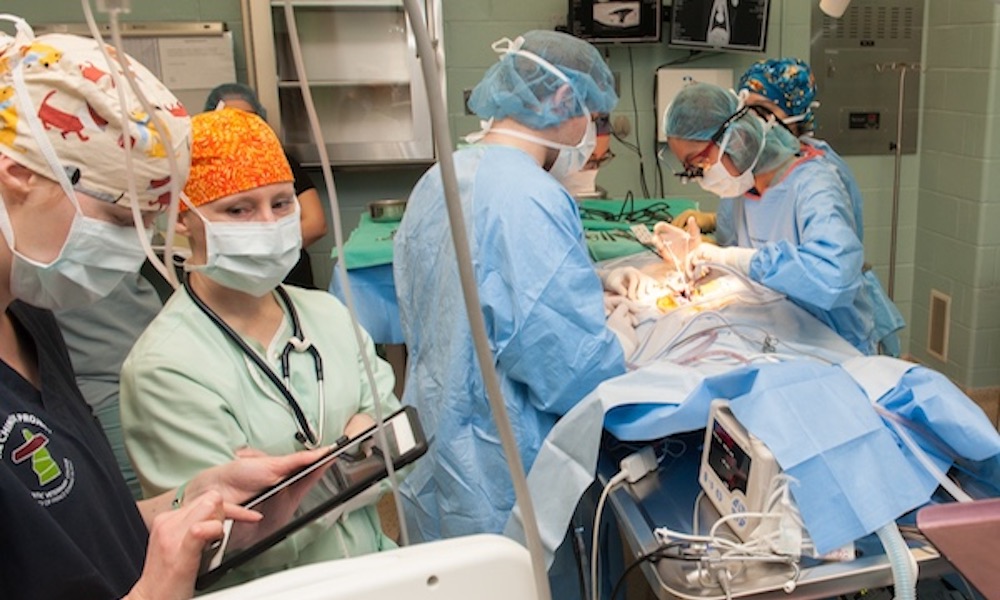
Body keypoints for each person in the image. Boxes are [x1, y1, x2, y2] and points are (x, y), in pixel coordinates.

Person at [0, 23, 332, 600]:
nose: (135, 252)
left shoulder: (30, 320)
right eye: (120, 220)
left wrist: (196, 499)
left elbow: (83, 530)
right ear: (19, 175)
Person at [120, 107, 400, 589]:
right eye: (238, 209)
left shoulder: (327, 314)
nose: (268, 223)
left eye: (282, 202)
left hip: (372, 572)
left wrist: (300, 490)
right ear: (183, 219)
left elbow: (398, 444)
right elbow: (238, 541)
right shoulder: (164, 366)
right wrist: (354, 451)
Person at [392, 29, 626, 592]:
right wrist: (621, 337)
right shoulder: (529, 196)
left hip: (442, 445)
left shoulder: (444, 175)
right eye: (594, 120)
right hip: (505, 467)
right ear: (562, 103)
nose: (593, 139)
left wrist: (587, 286)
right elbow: (570, 371)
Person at [671, 58, 905, 355]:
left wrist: (734, 259)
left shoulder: (816, 182)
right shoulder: (742, 181)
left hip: (834, 339)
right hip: (782, 333)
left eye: (759, 112)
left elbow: (832, 275)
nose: (749, 123)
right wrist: (705, 251)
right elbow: (735, 245)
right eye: (743, 110)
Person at [203, 82, 327, 288]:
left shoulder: (282, 163)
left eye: (249, 119)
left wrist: (271, 249)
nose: (241, 127)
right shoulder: (203, 171)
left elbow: (316, 224)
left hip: (291, 277)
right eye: (229, 119)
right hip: (229, 282)